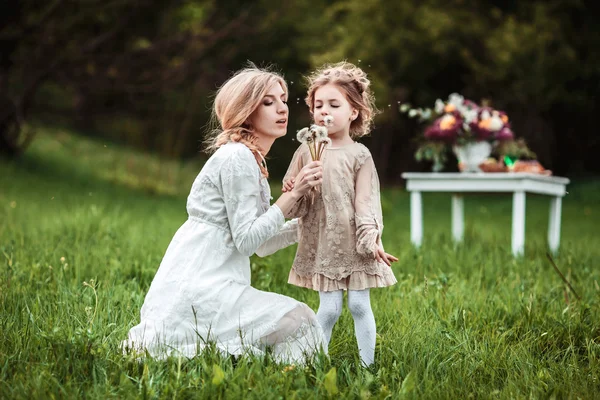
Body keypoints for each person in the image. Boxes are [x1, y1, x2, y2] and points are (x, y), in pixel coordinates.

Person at [122, 65, 327, 364]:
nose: (281, 108)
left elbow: (261, 245)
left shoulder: (249, 160)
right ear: (246, 110)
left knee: (299, 321)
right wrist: (292, 195)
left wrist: (305, 224)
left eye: (283, 99)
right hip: (202, 286)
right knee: (301, 320)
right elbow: (247, 241)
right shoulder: (236, 157)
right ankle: (286, 382)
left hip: (216, 282)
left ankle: (277, 378)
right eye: (268, 102)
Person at [282, 62, 397, 367]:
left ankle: (367, 367)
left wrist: (371, 238)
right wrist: (297, 187)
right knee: (330, 309)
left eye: (334, 104)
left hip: (355, 241)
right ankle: (314, 364)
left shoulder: (360, 155)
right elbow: (292, 199)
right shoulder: (307, 150)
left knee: (360, 305)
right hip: (324, 242)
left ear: (354, 112)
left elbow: (367, 201)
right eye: (318, 105)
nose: (324, 111)